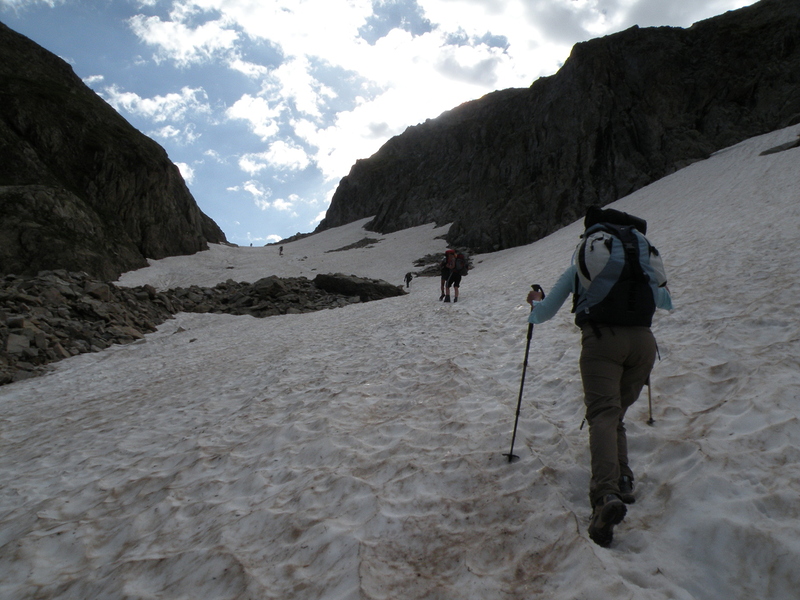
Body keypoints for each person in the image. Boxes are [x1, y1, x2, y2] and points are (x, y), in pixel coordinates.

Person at [526, 206, 673, 547]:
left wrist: (535, 303)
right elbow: (665, 301)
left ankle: (605, 498)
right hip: (643, 343)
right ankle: (623, 478)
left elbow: (546, 312)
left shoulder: (586, 257)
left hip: (603, 340)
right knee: (616, 412)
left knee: (603, 415)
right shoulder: (639, 256)